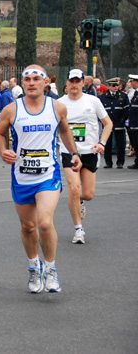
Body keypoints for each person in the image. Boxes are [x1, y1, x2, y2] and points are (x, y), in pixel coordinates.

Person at [0, 65, 82, 294]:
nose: (31, 83)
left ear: (46, 83)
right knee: (29, 226)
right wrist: (3, 150)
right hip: (21, 177)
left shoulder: (58, 108)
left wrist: (74, 154)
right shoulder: (12, 110)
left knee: (44, 222)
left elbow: (64, 131)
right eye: (27, 79)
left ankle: (50, 268)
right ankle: (34, 267)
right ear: (22, 84)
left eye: (36, 79)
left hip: (48, 175)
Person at [58, 69, 112, 244]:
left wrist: (102, 143)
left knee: (87, 194)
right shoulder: (59, 104)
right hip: (69, 153)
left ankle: (79, 201)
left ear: (83, 83)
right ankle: (78, 229)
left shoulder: (93, 101)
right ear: (66, 84)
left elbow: (108, 123)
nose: (74, 85)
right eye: (71, 81)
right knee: (73, 188)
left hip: (90, 152)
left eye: (77, 81)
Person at [100, 77, 130, 168]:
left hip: (119, 123)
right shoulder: (103, 97)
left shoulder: (123, 96)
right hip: (107, 125)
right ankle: (108, 162)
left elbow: (126, 110)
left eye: (117, 85)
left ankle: (120, 162)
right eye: (113, 85)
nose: (116, 87)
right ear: (109, 86)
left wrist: (122, 120)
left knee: (120, 144)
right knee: (107, 144)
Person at [127, 75, 138, 169]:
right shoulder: (136, 93)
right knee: (136, 144)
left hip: (137, 124)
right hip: (134, 123)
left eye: (132, 82)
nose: (131, 84)